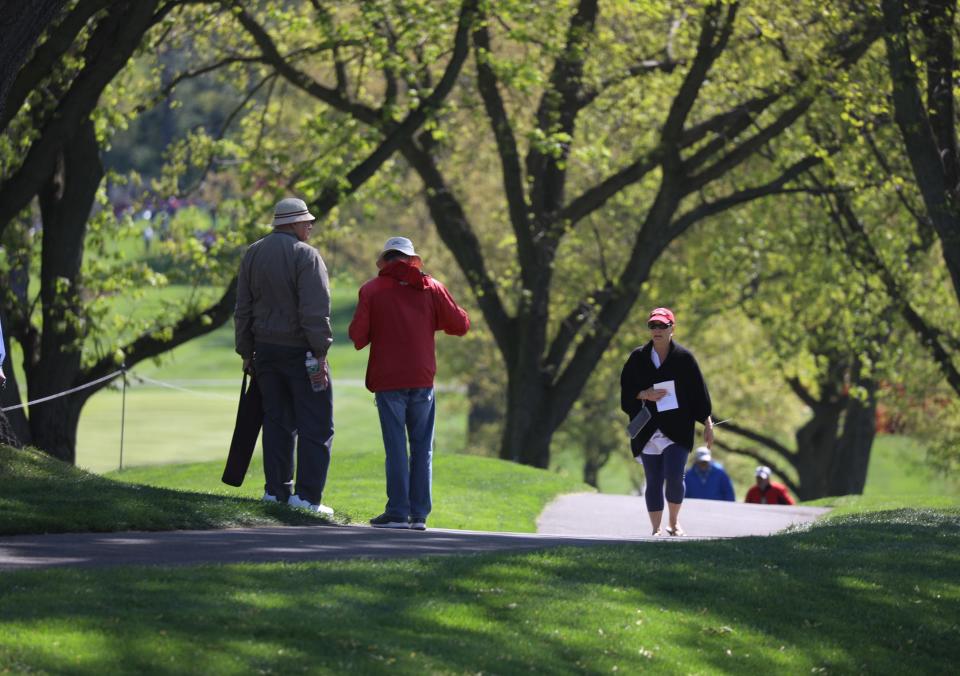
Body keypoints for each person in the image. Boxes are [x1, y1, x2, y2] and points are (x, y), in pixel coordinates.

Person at [349, 236, 470, 531]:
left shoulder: (372, 290)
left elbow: (357, 337)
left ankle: (397, 512)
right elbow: (460, 324)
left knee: (396, 448)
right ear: (411, 259)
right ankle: (418, 515)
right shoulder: (431, 287)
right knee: (422, 449)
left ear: (386, 260)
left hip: (388, 380)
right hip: (422, 378)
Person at [234, 197, 334, 515]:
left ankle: (276, 492)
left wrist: (245, 350)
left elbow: (243, 308)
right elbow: (315, 311)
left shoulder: (254, 252)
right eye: (306, 221)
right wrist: (320, 352)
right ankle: (306, 498)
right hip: (302, 351)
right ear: (292, 223)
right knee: (316, 425)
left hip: (264, 352)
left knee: (276, 422)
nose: (310, 225)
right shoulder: (306, 256)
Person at [620, 307, 714, 536]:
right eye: (653, 326)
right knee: (653, 480)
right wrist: (645, 394)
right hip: (648, 429)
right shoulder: (638, 358)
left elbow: (699, 394)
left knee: (674, 476)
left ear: (673, 328)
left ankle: (674, 522)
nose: (657, 330)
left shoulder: (685, 359)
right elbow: (626, 394)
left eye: (662, 325)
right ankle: (655, 529)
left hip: (678, 428)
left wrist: (707, 422)